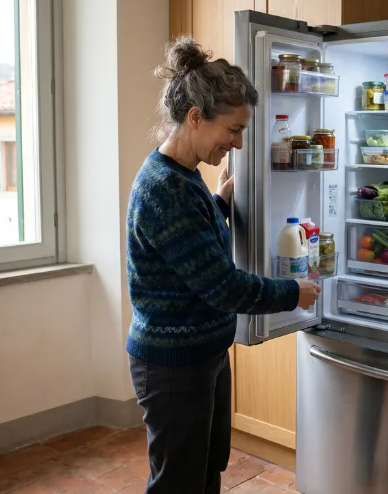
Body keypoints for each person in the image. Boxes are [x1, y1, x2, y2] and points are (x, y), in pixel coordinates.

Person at [126, 36, 321, 494]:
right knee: (178, 482)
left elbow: (190, 250)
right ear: (196, 118)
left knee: (206, 469)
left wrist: (218, 202)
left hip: (202, 353)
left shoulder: (185, 176)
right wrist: (294, 292)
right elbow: (222, 287)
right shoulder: (166, 190)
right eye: (232, 130)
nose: (236, 143)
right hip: (174, 365)